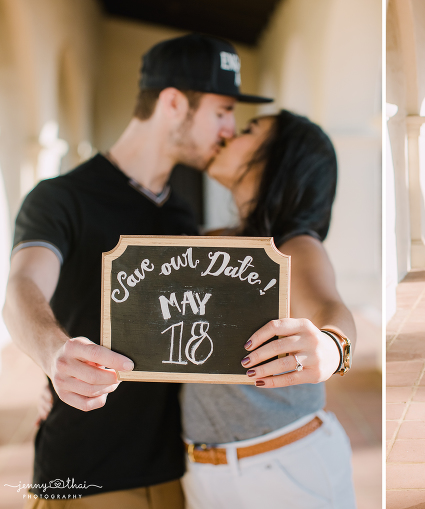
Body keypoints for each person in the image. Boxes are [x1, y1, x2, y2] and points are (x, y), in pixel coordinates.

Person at [2, 34, 272, 508]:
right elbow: (22, 285)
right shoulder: (61, 198)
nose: (230, 127)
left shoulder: (182, 216)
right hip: (85, 475)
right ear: (173, 103)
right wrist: (53, 356)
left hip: (176, 472)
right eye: (222, 110)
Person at [180, 110, 356, 509]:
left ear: (280, 159)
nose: (228, 134)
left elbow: (329, 306)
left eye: (248, 130)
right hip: (204, 470)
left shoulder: (295, 245)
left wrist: (334, 348)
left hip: (286, 467)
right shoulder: (214, 240)